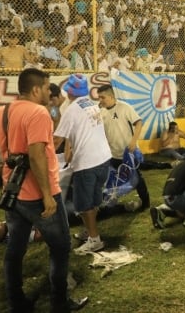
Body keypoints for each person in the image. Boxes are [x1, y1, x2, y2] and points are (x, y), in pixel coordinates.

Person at [0, 68, 87, 312]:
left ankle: (16, 302)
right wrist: (46, 195)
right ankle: (59, 304)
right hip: (38, 195)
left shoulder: (2, 111)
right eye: (46, 87)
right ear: (35, 89)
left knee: (15, 248)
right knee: (60, 247)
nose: (49, 91)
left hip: (13, 194)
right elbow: (36, 154)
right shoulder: (38, 112)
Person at [54, 74, 112, 255]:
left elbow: (57, 140)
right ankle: (90, 231)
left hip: (87, 163)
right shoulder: (90, 104)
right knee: (93, 201)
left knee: (84, 204)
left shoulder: (71, 110)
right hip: (103, 158)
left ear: (69, 92)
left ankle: (95, 240)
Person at [97, 84, 151, 212]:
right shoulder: (102, 112)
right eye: (99, 98)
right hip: (112, 154)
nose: (100, 100)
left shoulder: (125, 107)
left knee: (137, 178)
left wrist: (133, 141)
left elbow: (139, 122)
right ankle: (110, 204)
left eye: (102, 97)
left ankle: (146, 202)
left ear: (111, 96)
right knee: (112, 179)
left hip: (129, 153)